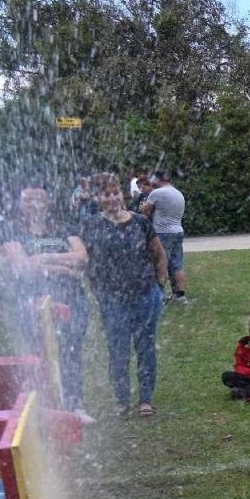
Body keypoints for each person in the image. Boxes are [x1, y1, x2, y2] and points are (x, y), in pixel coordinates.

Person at [73, 171, 167, 417]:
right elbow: (86, 260)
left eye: (115, 192)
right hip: (113, 301)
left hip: (145, 296)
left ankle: (145, 400)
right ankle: (121, 401)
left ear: (121, 194)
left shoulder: (140, 223)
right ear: (97, 197)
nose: (112, 198)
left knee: (146, 348)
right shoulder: (91, 225)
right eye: (106, 194)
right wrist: (99, 292)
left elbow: (159, 254)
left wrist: (160, 285)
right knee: (118, 350)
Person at [0, 185, 92, 420]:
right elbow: (21, 267)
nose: (35, 204)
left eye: (40, 199)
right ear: (20, 205)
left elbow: (82, 259)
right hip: (32, 303)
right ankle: (44, 406)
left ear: (48, 203)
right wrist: (61, 266)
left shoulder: (64, 229)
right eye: (29, 200)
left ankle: (74, 404)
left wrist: (42, 259)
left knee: (71, 352)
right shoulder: (11, 232)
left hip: (72, 302)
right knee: (37, 352)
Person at [142, 169, 188, 303]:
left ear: (157, 179)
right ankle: (180, 295)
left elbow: (145, 210)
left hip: (163, 232)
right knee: (177, 264)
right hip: (178, 230)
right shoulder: (178, 193)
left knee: (160, 263)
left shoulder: (157, 193)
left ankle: (159, 296)